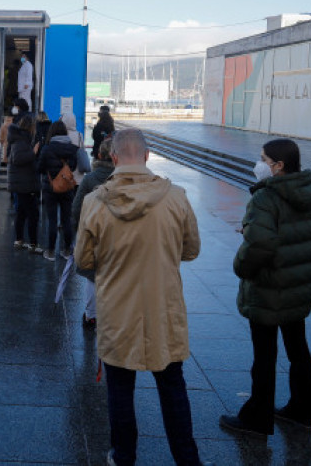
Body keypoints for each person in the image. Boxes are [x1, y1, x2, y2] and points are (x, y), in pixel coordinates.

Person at [74, 128, 205, 466]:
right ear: (147, 156)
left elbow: (83, 261)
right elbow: (191, 250)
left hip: (117, 311)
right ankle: (187, 459)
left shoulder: (94, 202)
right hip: (164, 310)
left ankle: (124, 456)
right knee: (173, 388)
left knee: (120, 391)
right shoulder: (176, 196)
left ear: (114, 157)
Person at [219, 138, 311, 438]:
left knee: (264, 354)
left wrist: (241, 266)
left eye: (263, 159)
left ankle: (256, 418)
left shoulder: (266, 198)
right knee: (298, 349)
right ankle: (302, 409)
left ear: (278, 166)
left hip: (268, 286)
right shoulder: (307, 193)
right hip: (296, 285)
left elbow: (261, 244)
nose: (258, 163)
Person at [71, 138, 114, 328]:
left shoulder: (90, 179)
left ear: (98, 155)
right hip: (118, 236)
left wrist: (78, 233)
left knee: (92, 276)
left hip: (94, 234)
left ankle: (91, 315)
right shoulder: (122, 179)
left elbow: (76, 209)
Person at [36, 120, 78, 261]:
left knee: (52, 220)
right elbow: (73, 167)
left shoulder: (47, 149)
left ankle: (51, 251)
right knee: (67, 219)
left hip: (50, 189)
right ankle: (67, 250)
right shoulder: (73, 148)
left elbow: (40, 168)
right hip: (67, 188)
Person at [7, 115, 42, 253]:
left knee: (21, 213)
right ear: (30, 127)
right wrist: (33, 153)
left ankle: (19, 240)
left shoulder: (20, 139)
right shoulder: (21, 141)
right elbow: (18, 159)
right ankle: (33, 244)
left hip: (22, 182)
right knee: (32, 214)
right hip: (25, 184)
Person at [62, 112, 91, 184]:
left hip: (65, 171)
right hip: (77, 172)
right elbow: (82, 150)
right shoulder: (79, 135)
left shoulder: (62, 135)